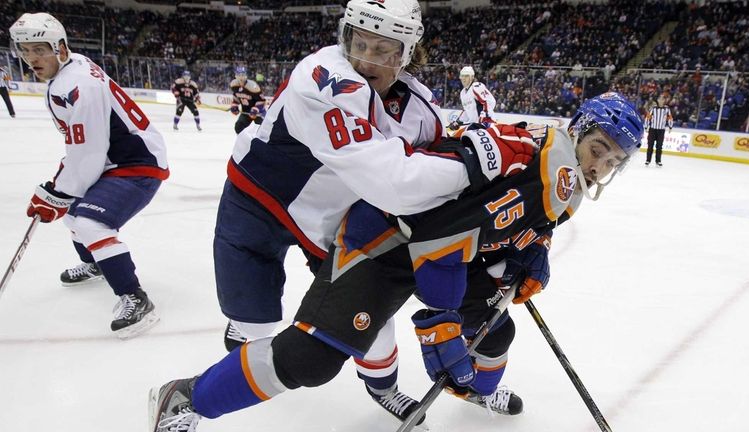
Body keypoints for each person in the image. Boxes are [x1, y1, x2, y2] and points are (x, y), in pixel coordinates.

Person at [149, 92, 643, 431]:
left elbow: (511, 225)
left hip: (445, 249)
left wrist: (532, 251)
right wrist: (441, 321)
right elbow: (438, 238)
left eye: (613, 161)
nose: (600, 165)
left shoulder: (564, 174)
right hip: (387, 239)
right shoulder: (534, 165)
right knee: (311, 359)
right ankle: (187, 397)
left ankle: (471, 391)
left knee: (495, 329)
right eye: (598, 149)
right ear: (578, 131)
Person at [187, 0, 529, 425]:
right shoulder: (321, 78)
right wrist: (480, 161)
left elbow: (437, 186)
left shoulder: (421, 108)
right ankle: (214, 366)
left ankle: (382, 388)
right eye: (358, 42)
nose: (365, 60)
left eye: (383, 50)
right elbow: (398, 185)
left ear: (407, 54)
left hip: (331, 219)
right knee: (253, 326)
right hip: (257, 201)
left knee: (371, 321)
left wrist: (506, 224)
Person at [10, 13, 168, 339]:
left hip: (137, 163)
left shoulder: (78, 84)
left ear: (61, 48)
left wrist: (60, 191)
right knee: (71, 210)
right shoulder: (69, 72)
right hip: (116, 160)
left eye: (40, 49)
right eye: (25, 51)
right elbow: (82, 149)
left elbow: (90, 151)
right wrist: (59, 191)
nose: (32, 58)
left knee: (90, 222)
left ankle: (135, 298)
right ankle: (97, 263)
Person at [449, 66, 496, 130]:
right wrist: (458, 122)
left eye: (466, 76)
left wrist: (485, 117)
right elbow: (467, 110)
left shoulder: (476, 86)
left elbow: (488, 102)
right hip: (474, 126)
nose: (464, 78)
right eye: (462, 76)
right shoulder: (462, 93)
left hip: (486, 125)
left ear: (472, 77)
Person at [229, 66, 266, 134]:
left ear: (246, 75)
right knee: (238, 127)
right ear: (235, 75)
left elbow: (261, 101)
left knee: (263, 130)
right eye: (239, 75)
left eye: (243, 75)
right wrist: (234, 106)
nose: (241, 77)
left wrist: (255, 109)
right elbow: (236, 97)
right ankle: (244, 143)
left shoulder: (252, 86)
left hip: (258, 113)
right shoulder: (234, 85)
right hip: (245, 112)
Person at [644, 99, 673, 167]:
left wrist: (670, 126)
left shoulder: (667, 109)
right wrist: (646, 126)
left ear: (664, 101)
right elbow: (648, 117)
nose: (661, 101)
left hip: (661, 130)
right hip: (652, 129)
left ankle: (658, 161)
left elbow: (670, 118)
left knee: (659, 146)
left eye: (662, 100)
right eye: (660, 100)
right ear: (658, 101)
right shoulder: (653, 108)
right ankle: (648, 160)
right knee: (650, 145)